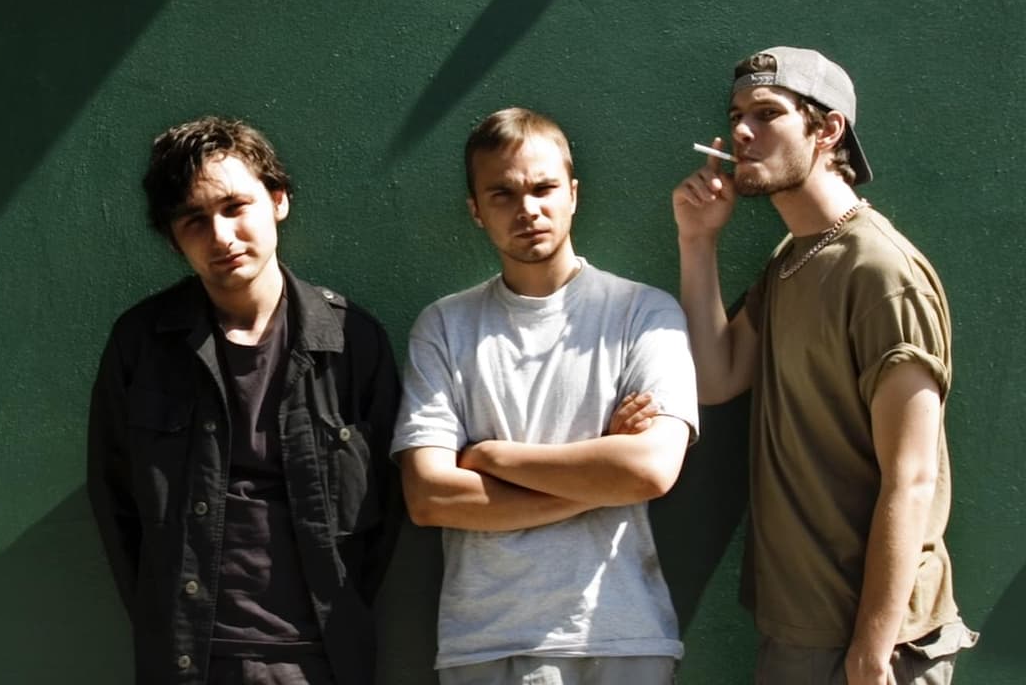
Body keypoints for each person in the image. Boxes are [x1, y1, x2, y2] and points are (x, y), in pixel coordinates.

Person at [672, 46, 977, 684]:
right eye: (736, 115)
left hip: (876, 645)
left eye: (767, 114)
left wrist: (871, 648)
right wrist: (697, 241)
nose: (742, 131)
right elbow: (717, 377)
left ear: (828, 129)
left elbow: (913, 477)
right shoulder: (792, 259)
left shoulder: (883, 273)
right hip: (798, 631)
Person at [88, 116, 401, 685]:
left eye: (235, 207)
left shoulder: (352, 341)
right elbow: (118, 505)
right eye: (195, 220)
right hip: (192, 662)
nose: (221, 236)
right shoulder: (141, 345)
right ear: (173, 238)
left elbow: (387, 509)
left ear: (278, 200)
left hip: (322, 661)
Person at [392, 106, 698, 685]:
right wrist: (601, 476)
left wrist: (492, 457)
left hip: (622, 635)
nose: (527, 209)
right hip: (488, 644)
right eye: (502, 194)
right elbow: (430, 497)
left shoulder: (644, 313)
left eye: (543, 188)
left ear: (573, 194)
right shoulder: (445, 327)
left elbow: (650, 470)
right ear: (476, 210)